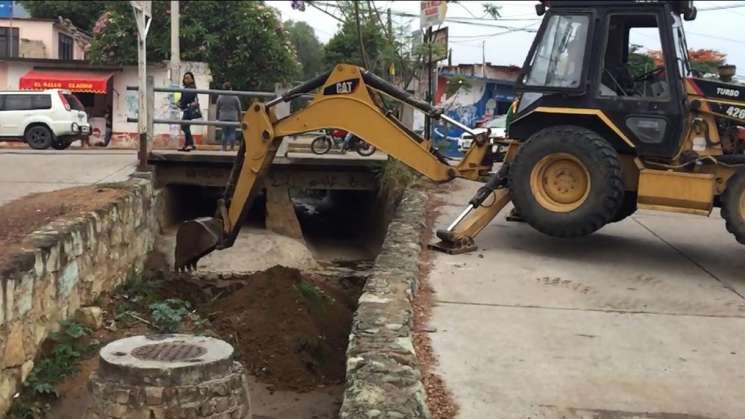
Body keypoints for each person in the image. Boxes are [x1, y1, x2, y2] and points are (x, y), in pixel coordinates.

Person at [216, 81, 242, 151]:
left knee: (224, 132)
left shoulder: (220, 96)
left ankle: (223, 148)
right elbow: (239, 108)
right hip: (233, 117)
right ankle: (232, 148)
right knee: (232, 132)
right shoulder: (235, 96)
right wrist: (240, 117)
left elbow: (217, 107)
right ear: (231, 88)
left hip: (223, 117)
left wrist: (217, 117)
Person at [178, 72, 199, 152]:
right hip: (187, 109)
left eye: (188, 78)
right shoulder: (187, 87)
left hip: (188, 109)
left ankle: (190, 144)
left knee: (184, 126)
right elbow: (183, 98)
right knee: (185, 127)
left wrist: (181, 104)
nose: (186, 79)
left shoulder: (191, 88)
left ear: (192, 79)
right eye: (185, 78)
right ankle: (187, 145)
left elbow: (185, 99)